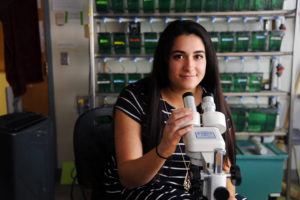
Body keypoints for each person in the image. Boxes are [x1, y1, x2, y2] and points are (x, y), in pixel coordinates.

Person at [105, 20, 246, 200]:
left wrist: (230, 197)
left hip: (201, 187)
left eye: (198, 56)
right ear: (165, 59)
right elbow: (128, 179)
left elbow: (225, 167)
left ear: (208, 60)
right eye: (179, 56)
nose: (189, 66)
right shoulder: (136, 98)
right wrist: (164, 148)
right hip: (146, 187)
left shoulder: (212, 100)